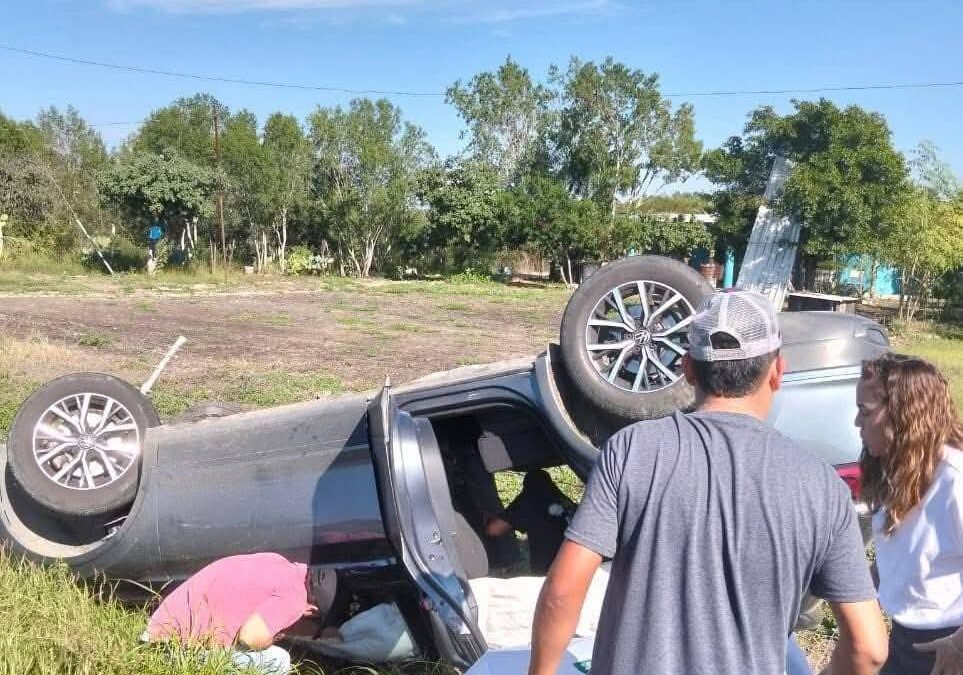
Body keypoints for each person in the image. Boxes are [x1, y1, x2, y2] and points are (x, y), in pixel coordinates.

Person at [528, 290, 889, 675]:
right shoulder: (821, 486)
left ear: (687, 369)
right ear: (777, 371)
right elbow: (869, 648)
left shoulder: (632, 451)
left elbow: (562, 592)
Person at [856, 354, 963, 675]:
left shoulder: (955, 481)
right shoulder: (897, 470)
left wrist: (958, 647)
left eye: (865, 411)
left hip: (948, 648)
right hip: (903, 640)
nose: (856, 423)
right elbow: (901, 553)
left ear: (903, 416)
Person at [145, 552, 336, 673]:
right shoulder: (294, 599)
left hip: (163, 621)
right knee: (279, 661)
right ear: (312, 610)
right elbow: (249, 637)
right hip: (173, 648)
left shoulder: (278, 561)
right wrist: (268, 639)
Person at [485, 469, 572, 574]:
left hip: (549, 572)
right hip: (576, 563)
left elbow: (494, 529)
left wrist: (487, 518)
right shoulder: (563, 500)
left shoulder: (531, 499)